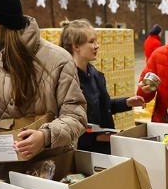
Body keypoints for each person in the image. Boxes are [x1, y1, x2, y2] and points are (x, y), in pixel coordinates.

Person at [0, 0, 86, 178]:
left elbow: (76, 116)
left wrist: (44, 136)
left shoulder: (58, 60)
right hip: (6, 176)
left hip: (54, 172)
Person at [60, 19, 145, 153]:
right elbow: (68, 124)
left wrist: (127, 102)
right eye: (91, 41)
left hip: (105, 147)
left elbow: (104, 107)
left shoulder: (94, 74)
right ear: (76, 46)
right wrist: (99, 138)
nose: (97, 46)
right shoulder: (68, 80)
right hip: (85, 153)